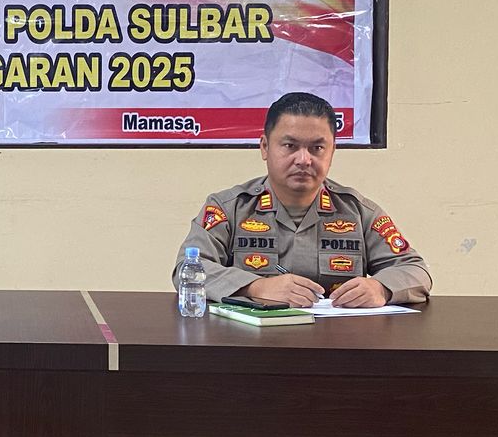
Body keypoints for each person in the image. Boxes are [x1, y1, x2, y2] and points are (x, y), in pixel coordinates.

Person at [172, 92, 430, 308]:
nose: (304, 160)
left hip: (337, 343)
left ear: (332, 151)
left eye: (317, 148)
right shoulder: (229, 208)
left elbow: (415, 269)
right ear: (265, 147)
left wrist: (381, 288)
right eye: (290, 146)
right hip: (249, 344)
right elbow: (187, 268)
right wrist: (255, 287)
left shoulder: (358, 212)